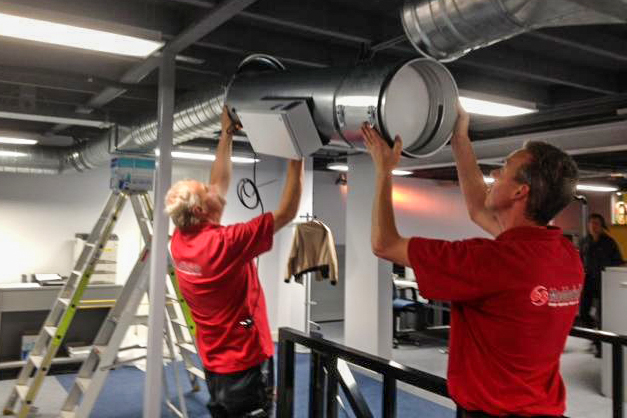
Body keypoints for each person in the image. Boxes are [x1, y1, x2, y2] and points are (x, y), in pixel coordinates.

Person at [361, 103, 583, 417]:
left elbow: (384, 243)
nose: (494, 173)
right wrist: (460, 138)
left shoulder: (488, 261)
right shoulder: (565, 254)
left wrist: (384, 171)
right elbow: (480, 210)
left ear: (520, 192)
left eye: (503, 168)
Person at [165, 107, 304, 417]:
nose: (214, 189)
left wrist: (225, 134)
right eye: (206, 192)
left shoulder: (182, 239)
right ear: (201, 211)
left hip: (215, 359)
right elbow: (287, 212)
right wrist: (297, 155)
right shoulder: (225, 244)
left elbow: (219, 183)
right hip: (244, 359)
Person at [579, 213, 623, 330]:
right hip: (588, 280)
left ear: (601, 225)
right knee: (583, 311)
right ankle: (592, 329)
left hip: (603, 280)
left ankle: (600, 340)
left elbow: (618, 261)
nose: (593, 226)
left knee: (602, 313)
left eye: (596, 223)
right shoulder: (584, 242)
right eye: (591, 223)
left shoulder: (609, 242)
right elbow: (579, 260)